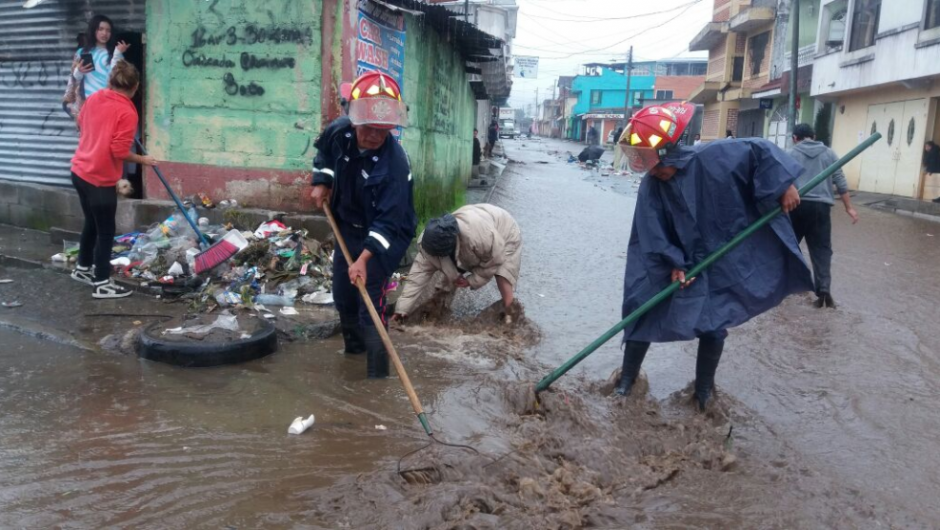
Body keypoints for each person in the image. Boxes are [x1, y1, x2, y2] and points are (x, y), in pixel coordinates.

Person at [615, 103, 814, 410]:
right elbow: (651, 231)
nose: (654, 171)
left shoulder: (715, 156)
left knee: (715, 317)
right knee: (642, 304)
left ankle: (704, 391)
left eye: (655, 162)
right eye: (645, 163)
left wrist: (785, 183)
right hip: (681, 258)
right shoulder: (652, 186)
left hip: (720, 254)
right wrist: (673, 263)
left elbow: (760, 150)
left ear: (671, 152)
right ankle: (626, 382)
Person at [309, 71, 416, 379]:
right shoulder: (339, 132)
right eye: (368, 128)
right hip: (348, 225)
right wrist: (322, 181)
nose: (374, 136)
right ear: (354, 119)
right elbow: (324, 155)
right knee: (344, 293)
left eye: (383, 130)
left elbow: (387, 223)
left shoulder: (394, 165)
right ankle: (353, 355)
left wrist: (365, 259)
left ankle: (376, 375)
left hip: (387, 236)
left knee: (370, 299)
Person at [69, 61, 156, 298]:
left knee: (92, 222)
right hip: (99, 178)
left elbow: (81, 123)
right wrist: (143, 160)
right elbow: (118, 152)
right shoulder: (127, 112)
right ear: (136, 86)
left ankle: (83, 268)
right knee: (106, 230)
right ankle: (102, 282)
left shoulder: (96, 97)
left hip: (79, 171)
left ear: (110, 81)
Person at [393, 204, 522, 323]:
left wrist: (471, 280)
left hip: (504, 232)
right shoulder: (428, 243)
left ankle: (510, 315)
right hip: (474, 230)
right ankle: (438, 308)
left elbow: (495, 260)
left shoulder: (480, 238)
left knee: (502, 275)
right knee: (450, 275)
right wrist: (402, 309)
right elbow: (416, 279)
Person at [787, 123, 858, 309]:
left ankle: (788, 287)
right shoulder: (829, 153)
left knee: (789, 247)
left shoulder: (791, 154)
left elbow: (782, 181)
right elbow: (841, 180)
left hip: (797, 206)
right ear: (814, 135)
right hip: (822, 207)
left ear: (795, 138)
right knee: (821, 250)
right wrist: (848, 207)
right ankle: (823, 288)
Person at [72, 15, 131, 100]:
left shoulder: (115, 53)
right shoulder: (81, 52)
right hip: (89, 101)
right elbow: (75, 78)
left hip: (109, 100)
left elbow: (115, 78)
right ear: (93, 30)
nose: (104, 33)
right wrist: (79, 70)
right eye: (100, 29)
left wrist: (117, 54)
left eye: (108, 30)